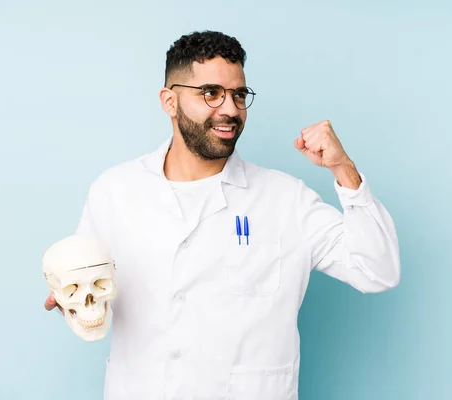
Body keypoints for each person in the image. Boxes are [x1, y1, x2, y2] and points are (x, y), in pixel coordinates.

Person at [44, 30, 400, 400]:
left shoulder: (285, 198)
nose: (230, 109)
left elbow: (378, 271)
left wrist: (344, 170)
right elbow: (88, 288)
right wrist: (69, 298)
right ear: (169, 101)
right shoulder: (114, 191)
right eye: (211, 93)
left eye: (239, 95)